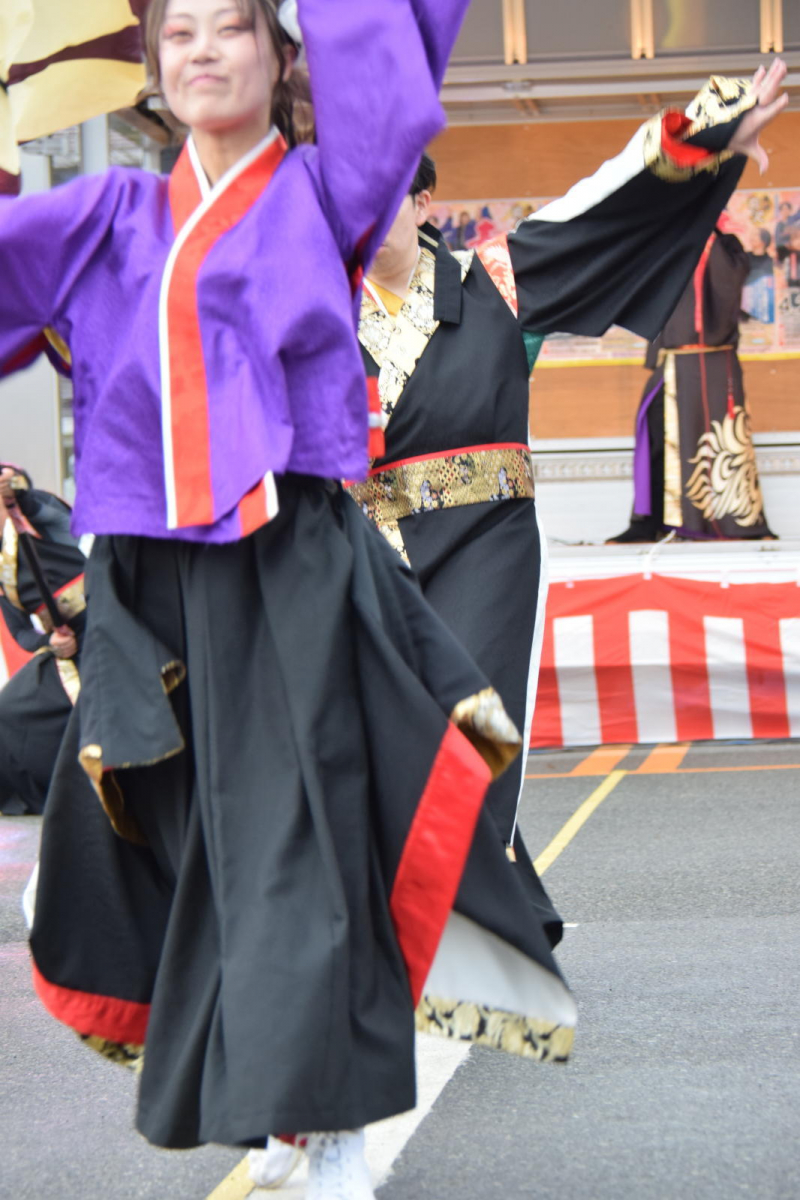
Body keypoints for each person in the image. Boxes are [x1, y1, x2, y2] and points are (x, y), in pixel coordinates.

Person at [0, 3, 582, 1195]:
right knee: (194, 836)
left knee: (298, 829)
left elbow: (387, 95)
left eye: (231, 29)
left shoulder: (322, 194)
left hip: (292, 560)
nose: (203, 50)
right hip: (149, 586)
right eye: (180, 37)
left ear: (279, 56)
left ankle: (325, 1116)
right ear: (155, 75)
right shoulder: (111, 215)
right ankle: (281, 1087)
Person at [347, 63, 786, 849]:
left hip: (486, 548)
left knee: (473, 728)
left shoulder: (493, 282)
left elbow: (600, 206)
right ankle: (461, 915)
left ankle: (465, 928)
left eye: (385, 196)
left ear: (421, 205)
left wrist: (707, 137)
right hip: (368, 560)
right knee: (377, 739)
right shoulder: (315, 313)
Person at [609, 226, 775, 541]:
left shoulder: (724, 244)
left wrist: (705, 233)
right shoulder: (666, 240)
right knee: (654, 434)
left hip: (713, 362)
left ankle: (725, 520)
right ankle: (649, 522)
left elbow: (728, 283)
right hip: (670, 360)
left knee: (720, 440)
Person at [0, 465, 85, 815]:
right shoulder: (2, 569)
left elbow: (37, 506)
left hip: (108, 627)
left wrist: (15, 493)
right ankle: (51, 793)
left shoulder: (37, 516)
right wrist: (49, 642)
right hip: (65, 646)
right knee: (9, 709)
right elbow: (21, 631)